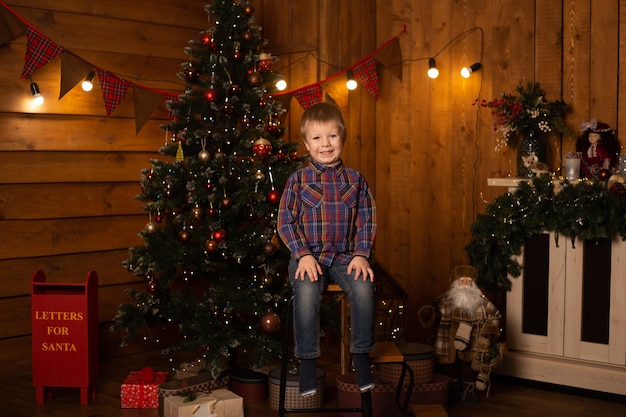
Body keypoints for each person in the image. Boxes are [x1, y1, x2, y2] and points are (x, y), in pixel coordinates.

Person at [277, 101, 377, 397]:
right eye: (317, 138)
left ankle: (361, 356)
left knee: (363, 287)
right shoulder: (297, 180)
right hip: (308, 255)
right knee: (307, 292)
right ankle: (307, 362)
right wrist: (302, 255)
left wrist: (361, 254)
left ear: (342, 138)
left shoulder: (356, 180)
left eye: (332, 136)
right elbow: (285, 221)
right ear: (307, 143)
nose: (326, 144)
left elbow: (367, 219)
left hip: (346, 255)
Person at [418, 266, 502, 403]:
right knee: (449, 367)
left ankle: (469, 390)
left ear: (473, 283)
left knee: (468, 367)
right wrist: (428, 314)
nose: (465, 284)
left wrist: (489, 330)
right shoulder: (444, 300)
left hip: (472, 343)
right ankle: (454, 388)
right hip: (447, 343)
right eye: (461, 281)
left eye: (468, 281)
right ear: (455, 283)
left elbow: (495, 315)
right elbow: (433, 315)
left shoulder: (481, 302)